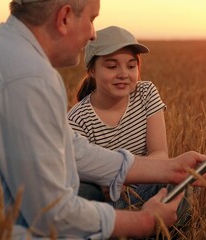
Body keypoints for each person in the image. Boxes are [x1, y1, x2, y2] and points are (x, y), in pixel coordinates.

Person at [0, 0, 206, 239]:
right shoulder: (28, 76)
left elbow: (72, 149)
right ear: (64, 17)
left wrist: (170, 168)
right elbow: (51, 214)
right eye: (92, 19)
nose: (93, 34)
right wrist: (145, 221)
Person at [67, 26, 168, 208]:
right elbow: (89, 178)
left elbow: (160, 153)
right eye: (112, 66)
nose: (123, 74)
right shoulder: (77, 119)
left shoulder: (146, 93)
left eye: (131, 66)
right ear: (91, 71)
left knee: (177, 184)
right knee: (85, 194)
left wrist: (122, 176)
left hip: (146, 183)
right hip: (109, 198)